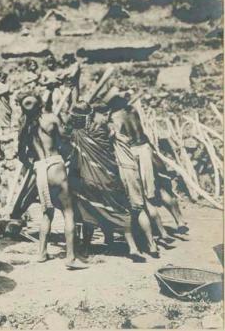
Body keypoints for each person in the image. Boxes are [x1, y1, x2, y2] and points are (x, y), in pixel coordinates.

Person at [66, 101, 158, 262]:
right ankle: (133, 248)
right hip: (109, 179)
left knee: (89, 212)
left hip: (88, 180)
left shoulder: (75, 133)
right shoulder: (103, 130)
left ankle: (86, 247)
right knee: (122, 211)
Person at [16, 92, 87, 268]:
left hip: (39, 169)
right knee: (68, 212)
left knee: (47, 213)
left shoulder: (24, 126)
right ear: (40, 103)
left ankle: (41, 253)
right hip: (55, 165)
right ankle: (70, 257)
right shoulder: (51, 118)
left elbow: (21, 155)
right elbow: (66, 138)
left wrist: (32, 163)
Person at [106, 92, 172, 241]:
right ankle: (161, 231)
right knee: (148, 193)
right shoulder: (132, 111)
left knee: (139, 198)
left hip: (132, 153)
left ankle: (146, 232)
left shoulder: (115, 118)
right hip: (145, 147)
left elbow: (114, 137)